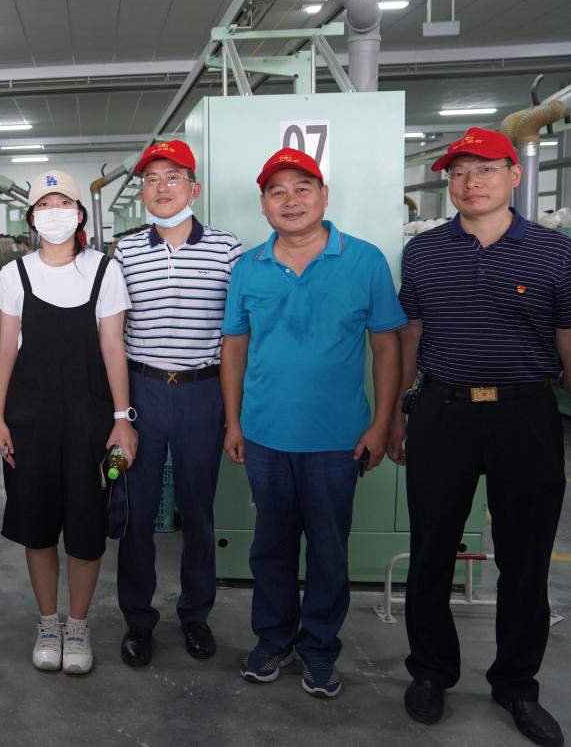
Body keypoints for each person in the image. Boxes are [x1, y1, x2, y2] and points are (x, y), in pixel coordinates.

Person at [389, 128, 569, 746]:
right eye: (459, 172)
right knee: (431, 551)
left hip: (527, 414)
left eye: (485, 169)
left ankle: (517, 684)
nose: (472, 183)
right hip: (444, 412)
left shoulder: (554, 251)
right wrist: (398, 413)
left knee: (526, 558)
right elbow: (411, 336)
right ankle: (430, 672)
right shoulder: (424, 252)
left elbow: (568, 340)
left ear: (514, 176)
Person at [220, 147, 405, 699]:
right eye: (277, 191)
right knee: (271, 548)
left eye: (303, 188)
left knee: (328, 550)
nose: (291, 200)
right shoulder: (248, 267)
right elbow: (234, 347)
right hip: (265, 435)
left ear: (324, 196)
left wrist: (381, 423)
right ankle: (273, 639)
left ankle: (320, 649)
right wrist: (233, 422)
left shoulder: (364, 260)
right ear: (263, 205)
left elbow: (386, 346)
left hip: (337, 439)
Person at [0, 169, 136, 675]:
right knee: (37, 528)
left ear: (79, 214)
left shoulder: (104, 271)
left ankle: (78, 626)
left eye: (64, 203)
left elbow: (113, 346)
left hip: (91, 422)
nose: (54, 213)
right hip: (29, 421)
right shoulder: (15, 274)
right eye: (44, 205)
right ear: (32, 219)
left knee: (86, 525)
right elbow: (6, 350)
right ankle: (48, 623)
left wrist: (122, 420)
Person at [113, 141, 243, 668]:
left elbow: (237, 334)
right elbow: (113, 332)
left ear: (195, 188)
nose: (161, 188)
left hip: (201, 391)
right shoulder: (125, 251)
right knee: (136, 510)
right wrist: (117, 413)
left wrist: (233, 414)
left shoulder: (228, 249)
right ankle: (138, 618)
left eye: (173, 177)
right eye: (151, 179)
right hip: (142, 390)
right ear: (142, 192)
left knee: (199, 508)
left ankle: (195, 613)